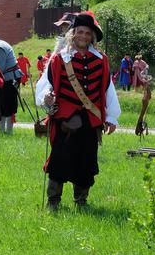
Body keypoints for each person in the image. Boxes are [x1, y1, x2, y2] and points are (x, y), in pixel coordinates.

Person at [36, 13, 120, 209]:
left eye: (87, 33)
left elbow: (108, 89)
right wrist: (47, 98)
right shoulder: (59, 58)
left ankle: (81, 200)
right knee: (59, 160)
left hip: (90, 121)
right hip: (65, 120)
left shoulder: (101, 60)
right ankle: (53, 201)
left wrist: (111, 116)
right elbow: (46, 85)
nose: (83, 36)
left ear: (92, 36)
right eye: (80, 32)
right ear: (72, 34)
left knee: (86, 161)